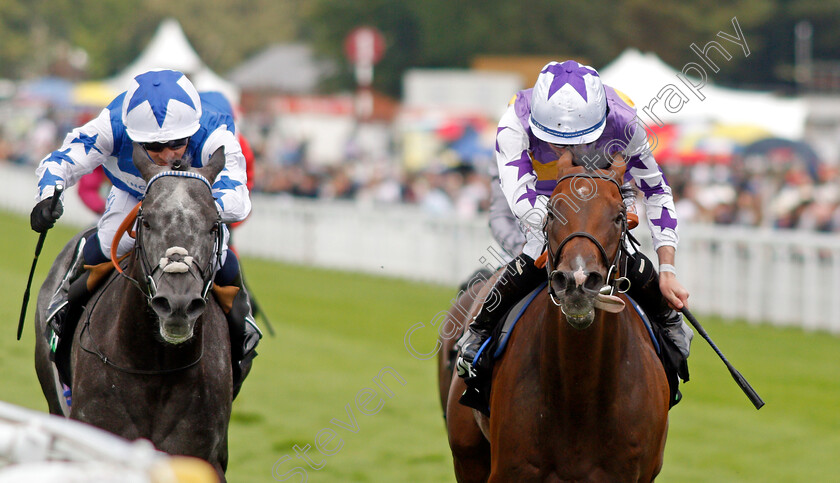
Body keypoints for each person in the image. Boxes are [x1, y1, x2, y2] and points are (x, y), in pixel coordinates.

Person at [456, 60, 693, 408]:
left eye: (581, 140)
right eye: (554, 142)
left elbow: (656, 193)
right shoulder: (513, 123)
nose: (567, 149)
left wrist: (668, 270)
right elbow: (521, 197)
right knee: (535, 252)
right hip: (544, 198)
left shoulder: (626, 123)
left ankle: (669, 329)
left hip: (602, 195)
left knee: (627, 259)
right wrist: (565, 230)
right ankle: (478, 332)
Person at [30, 69, 261, 389]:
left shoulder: (214, 127)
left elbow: (238, 199)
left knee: (223, 260)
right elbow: (62, 161)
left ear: (192, 130)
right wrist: (48, 195)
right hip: (135, 194)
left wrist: (186, 210)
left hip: (194, 204)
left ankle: (241, 335)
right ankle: (64, 315)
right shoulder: (111, 124)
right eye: (154, 146)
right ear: (135, 136)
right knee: (104, 244)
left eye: (178, 143)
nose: (168, 154)